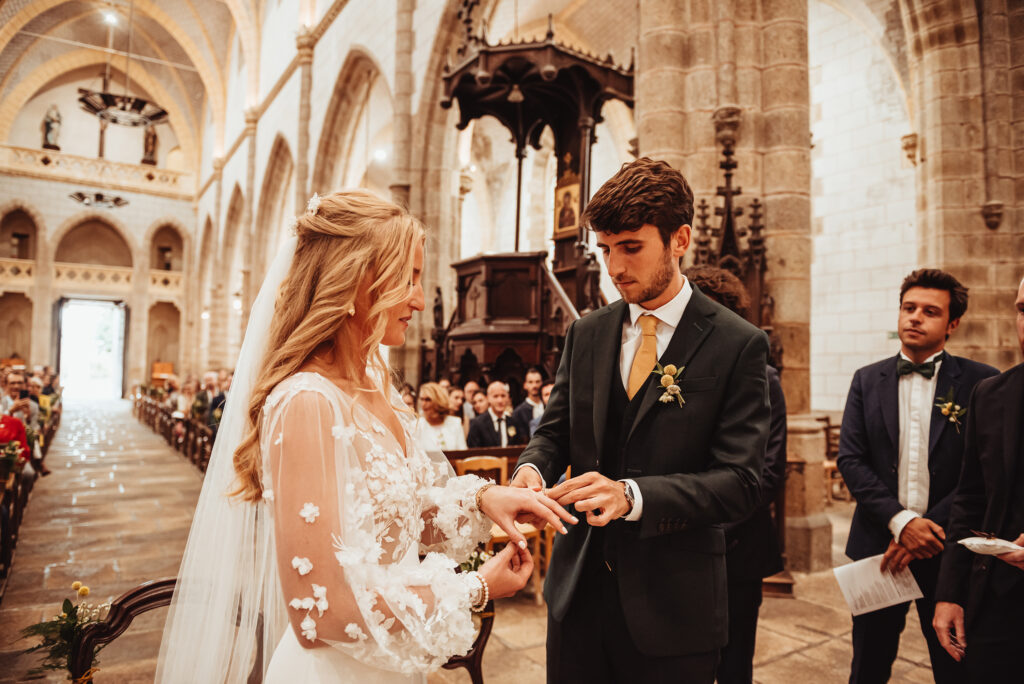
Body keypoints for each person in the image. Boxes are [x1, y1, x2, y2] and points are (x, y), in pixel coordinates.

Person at [157, 189, 575, 683]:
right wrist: (475, 588)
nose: (419, 299)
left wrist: (486, 501)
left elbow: (397, 521)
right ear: (355, 278)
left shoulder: (377, 386)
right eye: (408, 278)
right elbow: (318, 614)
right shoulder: (306, 401)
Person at [512, 157, 771, 683]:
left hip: (673, 604)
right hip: (577, 595)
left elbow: (741, 482)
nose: (615, 267)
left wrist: (631, 496)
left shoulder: (737, 343)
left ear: (680, 240)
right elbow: (555, 432)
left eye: (631, 247)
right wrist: (531, 472)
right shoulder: (587, 333)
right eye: (605, 249)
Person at [836, 268, 998, 684]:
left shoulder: (982, 382)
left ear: (953, 324)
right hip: (879, 549)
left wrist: (929, 529)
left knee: (955, 665)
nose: (915, 317)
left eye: (930, 311)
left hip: (950, 551)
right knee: (867, 667)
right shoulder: (866, 379)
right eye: (909, 308)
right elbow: (851, 460)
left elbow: (983, 471)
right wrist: (902, 523)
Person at [685, 265, 788, 684]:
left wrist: (709, 526)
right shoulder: (669, 374)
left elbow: (769, 471)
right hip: (676, 548)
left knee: (734, 662)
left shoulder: (765, 379)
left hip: (738, 546)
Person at [933, 276, 1024, 682]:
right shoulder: (990, 393)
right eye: (1023, 310)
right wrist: (950, 594)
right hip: (997, 602)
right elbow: (970, 498)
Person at [466, 381, 528, 448]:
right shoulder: (477, 423)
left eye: (503, 396)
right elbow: (473, 451)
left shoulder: (513, 422)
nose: (500, 400)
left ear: (508, 398)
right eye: (495, 396)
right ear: (488, 398)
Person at [413, 382, 467, 452]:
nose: (423, 404)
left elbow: (463, 452)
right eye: (421, 399)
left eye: (428, 399)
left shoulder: (455, 423)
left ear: (439, 401)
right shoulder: (415, 426)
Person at [512, 367, 545, 433]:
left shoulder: (549, 406)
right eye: (530, 382)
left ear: (542, 383)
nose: (534, 385)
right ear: (525, 385)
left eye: (537, 382)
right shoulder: (518, 413)